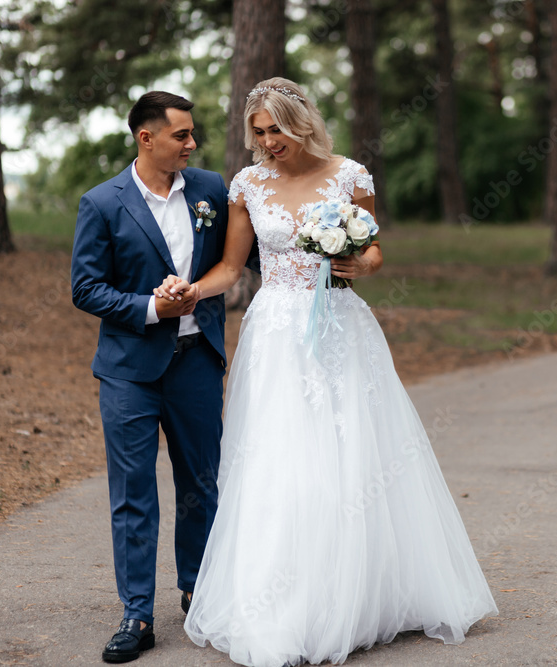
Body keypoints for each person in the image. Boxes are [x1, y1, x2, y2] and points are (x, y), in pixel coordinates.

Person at [157, 77, 497, 666]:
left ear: (303, 121)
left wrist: (358, 263)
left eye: (277, 130)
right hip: (274, 332)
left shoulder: (351, 175)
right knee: (280, 453)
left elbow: (373, 251)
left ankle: (363, 593)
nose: (268, 143)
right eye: (258, 133)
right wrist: (190, 289)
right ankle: (283, 599)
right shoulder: (247, 185)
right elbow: (233, 267)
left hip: (340, 325)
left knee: (356, 450)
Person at [70, 91, 231, 663]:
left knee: (201, 484)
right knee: (133, 493)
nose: (193, 144)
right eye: (182, 135)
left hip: (195, 363)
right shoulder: (102, 202)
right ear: (147, 139)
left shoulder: (212, 190)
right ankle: (137, 614)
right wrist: (149, 307)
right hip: (129, 372)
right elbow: (85, 287)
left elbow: (240, 259)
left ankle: (200, 594)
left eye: (192, 135)